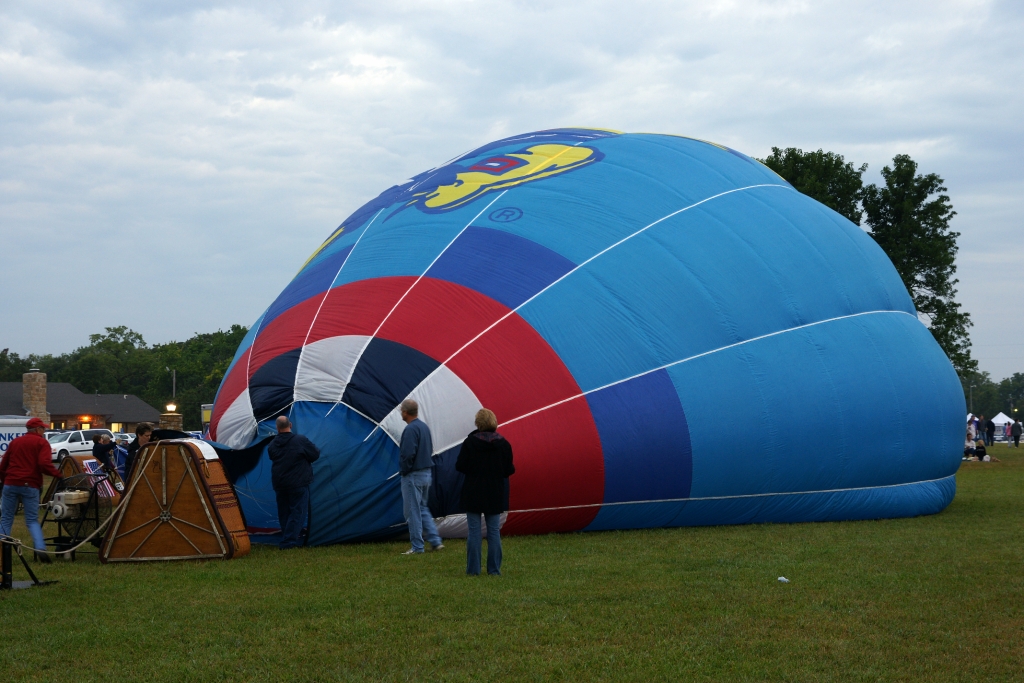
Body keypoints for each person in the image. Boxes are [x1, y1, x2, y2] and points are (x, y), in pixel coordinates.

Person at [455, 408, 515, 576]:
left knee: (474, 531)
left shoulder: (470, 443)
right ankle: (494, 570)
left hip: (473, 491)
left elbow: (460, 465)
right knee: (493, 531)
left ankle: (473, 570)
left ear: (478, 424)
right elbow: (509, 470)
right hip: (494, 492)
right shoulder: (504, 444)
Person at [0, 418, 62, 563]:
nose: (44, 431)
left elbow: (3, 465)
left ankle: (2, 551)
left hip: (10, 483)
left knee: (6, 518)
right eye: (43, 429)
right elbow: (44, 464)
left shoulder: (15, 442)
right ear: (38, 429)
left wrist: (4, 481)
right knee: (32, 520)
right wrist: (58, 474)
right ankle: (40, 548)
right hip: (30, 484)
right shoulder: (42, 443)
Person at [398, 399, 443, 555]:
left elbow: (408, 453)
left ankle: (417, 546)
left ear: (405, 412)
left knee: (412, 511)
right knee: (422, 508)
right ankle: (435, 541)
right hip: (426, 473)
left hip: (413, 475)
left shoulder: (410, 429)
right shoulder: (424, 427)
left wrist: (405, 470)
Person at [268, 415, 320, 549]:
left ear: (277, 428)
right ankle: (288, 542)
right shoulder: (300, 440)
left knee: (284, 513)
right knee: (297, 513)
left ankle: (286, 538)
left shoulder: (273, 443)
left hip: (280, 483)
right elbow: (315, 454)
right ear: (290, 425)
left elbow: (272, 456)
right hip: (298, 482)